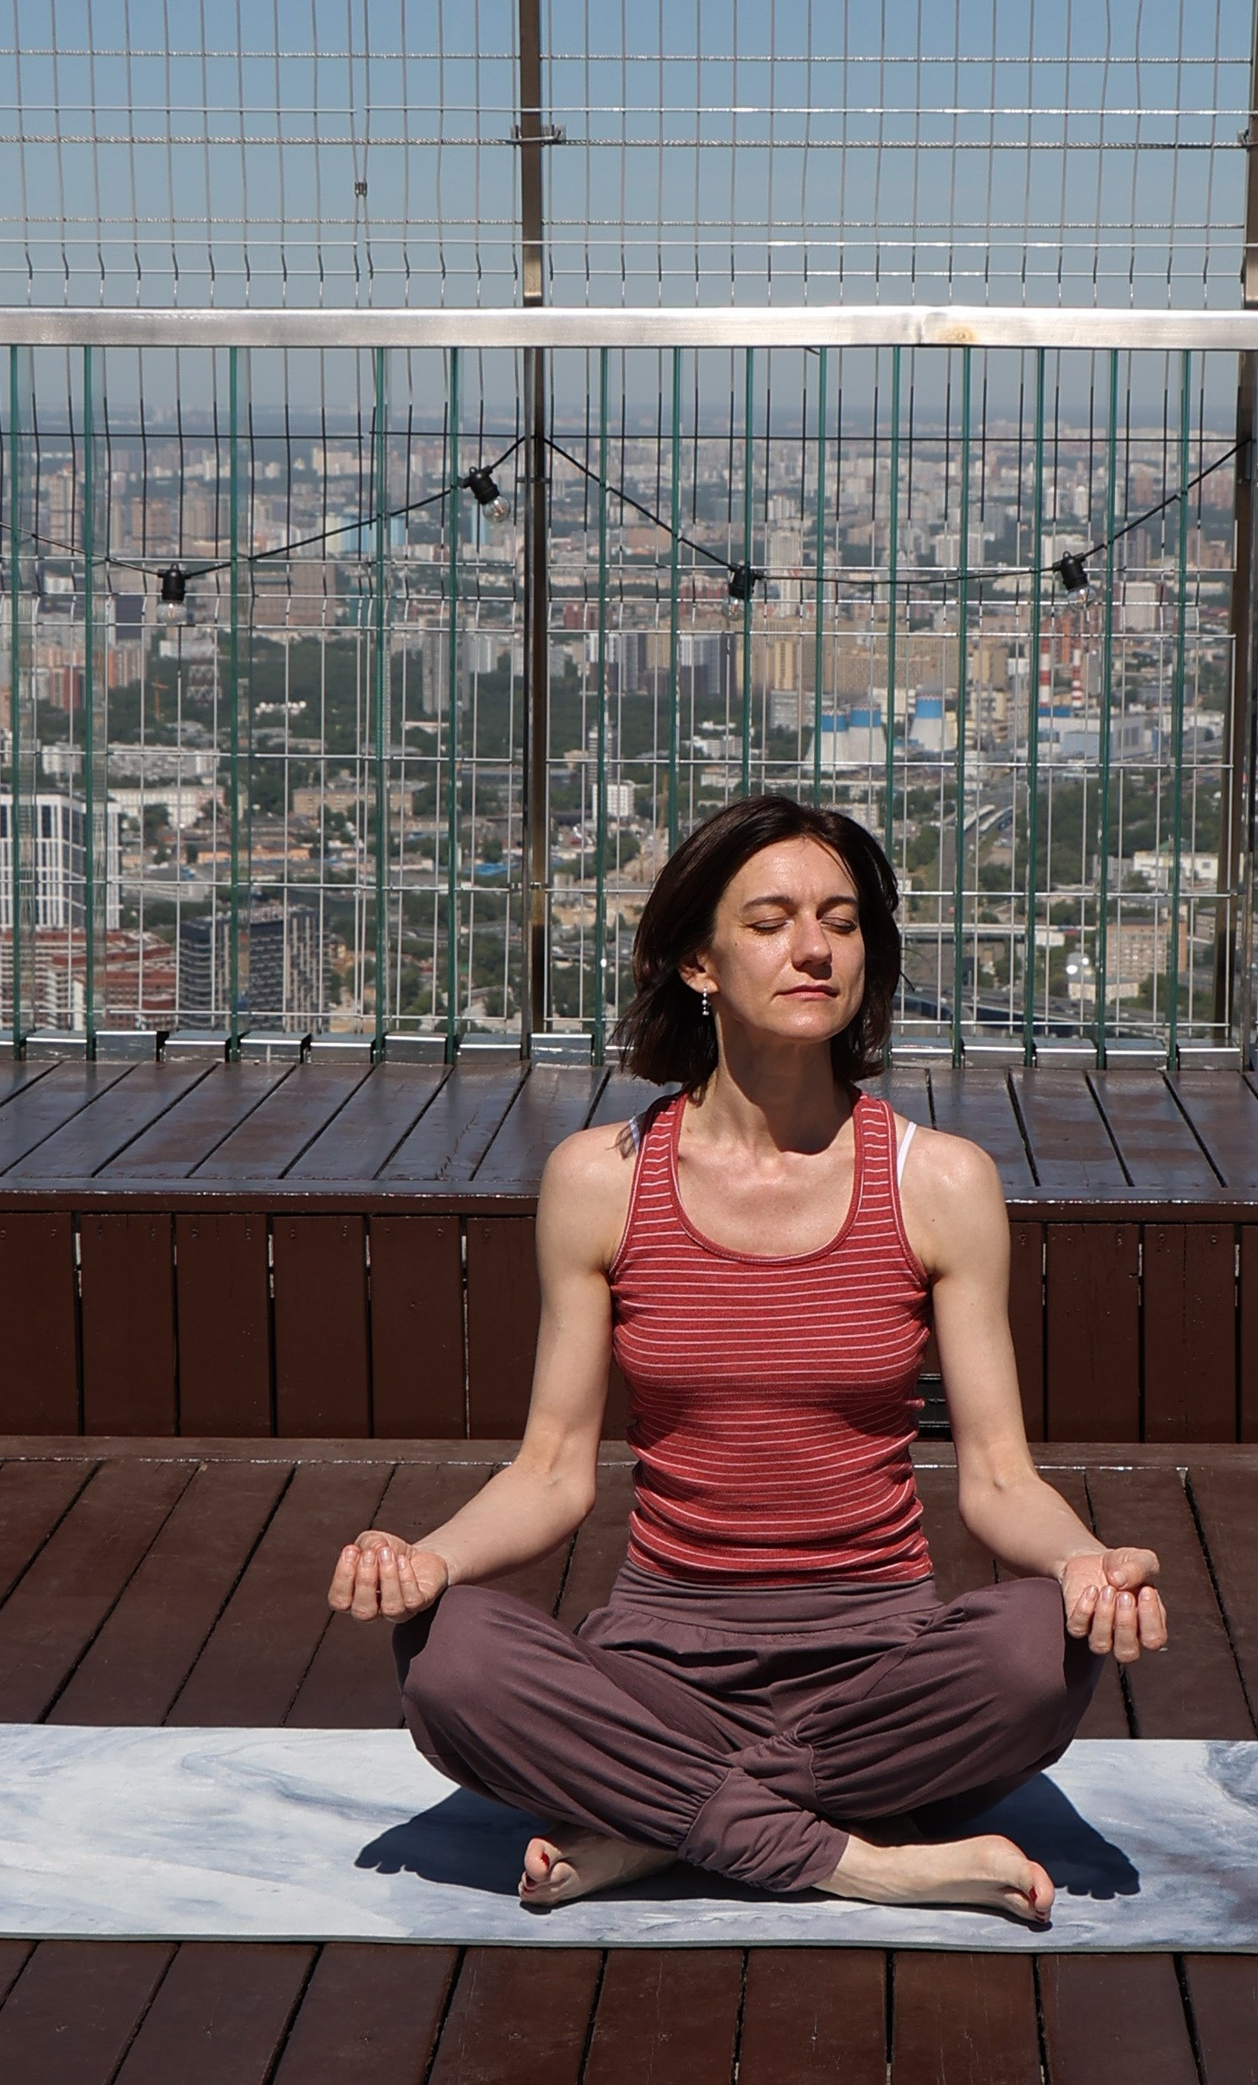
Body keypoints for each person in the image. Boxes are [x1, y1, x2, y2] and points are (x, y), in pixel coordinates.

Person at [328, 793, 1166, 1924]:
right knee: (451, 1659)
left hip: (882, 1672)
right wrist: (423, 1560)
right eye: (771, 922)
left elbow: (1001, 1480)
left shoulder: (940, 1180)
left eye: (841, 922)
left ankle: (655, 1826)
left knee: (1037, 1651)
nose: (815, 949)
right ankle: (861, 1858)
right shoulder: (600, 1179)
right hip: (660, 1670)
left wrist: (1087, 1565)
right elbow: (552, 1471)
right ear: (698, 963)